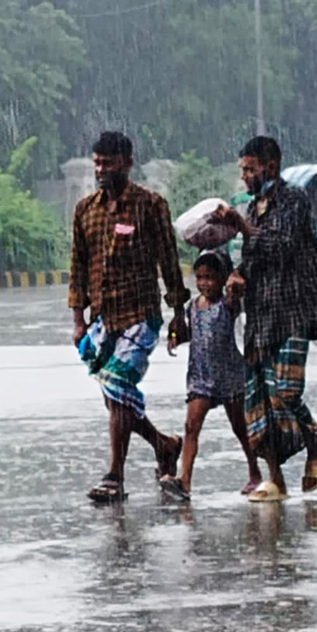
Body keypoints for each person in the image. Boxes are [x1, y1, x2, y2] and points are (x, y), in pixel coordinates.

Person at [213, 135, 317, 502]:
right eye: (242, 170)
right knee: (260, 402)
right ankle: (276, 480)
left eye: (250, 169)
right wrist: (237, 275)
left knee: (285, 391)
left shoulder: (294, 200)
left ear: (270, 166)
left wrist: (241, 224)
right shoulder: (253, 209)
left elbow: (279, 245)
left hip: (292, 310)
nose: (245, 177)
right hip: (260, 316)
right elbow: (254, 257)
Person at [69, 131, 190, 503]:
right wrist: (78, 319)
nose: (101, 170)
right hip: (102, 318)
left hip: (140, 314)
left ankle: (114, 476)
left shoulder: (150, 205)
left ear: (127, 163)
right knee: (114, 397)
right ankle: (164, 444)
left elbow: (169, 262)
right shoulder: (85, 209)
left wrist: (178, 315)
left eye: (108, 163)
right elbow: (77, 266)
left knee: (119, 387)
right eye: (97, 163)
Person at [158, 250, 261, 502]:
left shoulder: (228, 304)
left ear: (222, 279)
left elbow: (237, 294)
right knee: (191, 427)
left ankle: (255, 472)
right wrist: (174, 338)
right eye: (200, 277)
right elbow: (192, 334)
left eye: (210, 278)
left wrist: (234, 281)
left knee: (240, 428)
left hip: (229, 375)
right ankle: (185, 481)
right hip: (200, 376)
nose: (205, 283)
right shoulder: (194, 305)